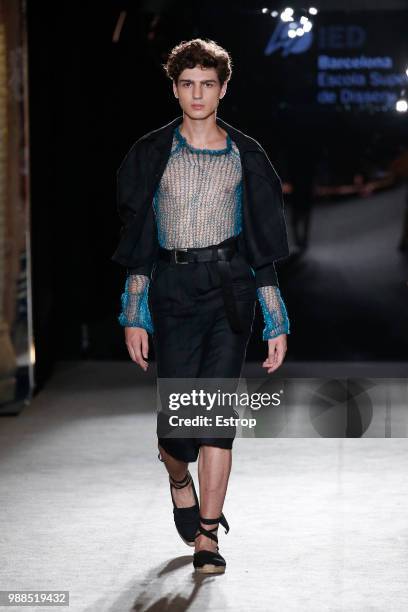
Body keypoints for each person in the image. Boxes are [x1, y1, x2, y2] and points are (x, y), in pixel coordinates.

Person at [111, 38, 290, 574]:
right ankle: (177, 478)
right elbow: (138, 238)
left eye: (207, 84)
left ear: (223, 88)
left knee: (214, 418)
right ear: (174, 88)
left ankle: (208, 537)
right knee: (176, 431)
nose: (197, 93)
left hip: (230, 289)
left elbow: (261, 241)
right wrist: (135, 312)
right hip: (173, 289)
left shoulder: (246, 154)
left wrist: (274, 317)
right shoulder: (150, 153)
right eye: (187, 83)